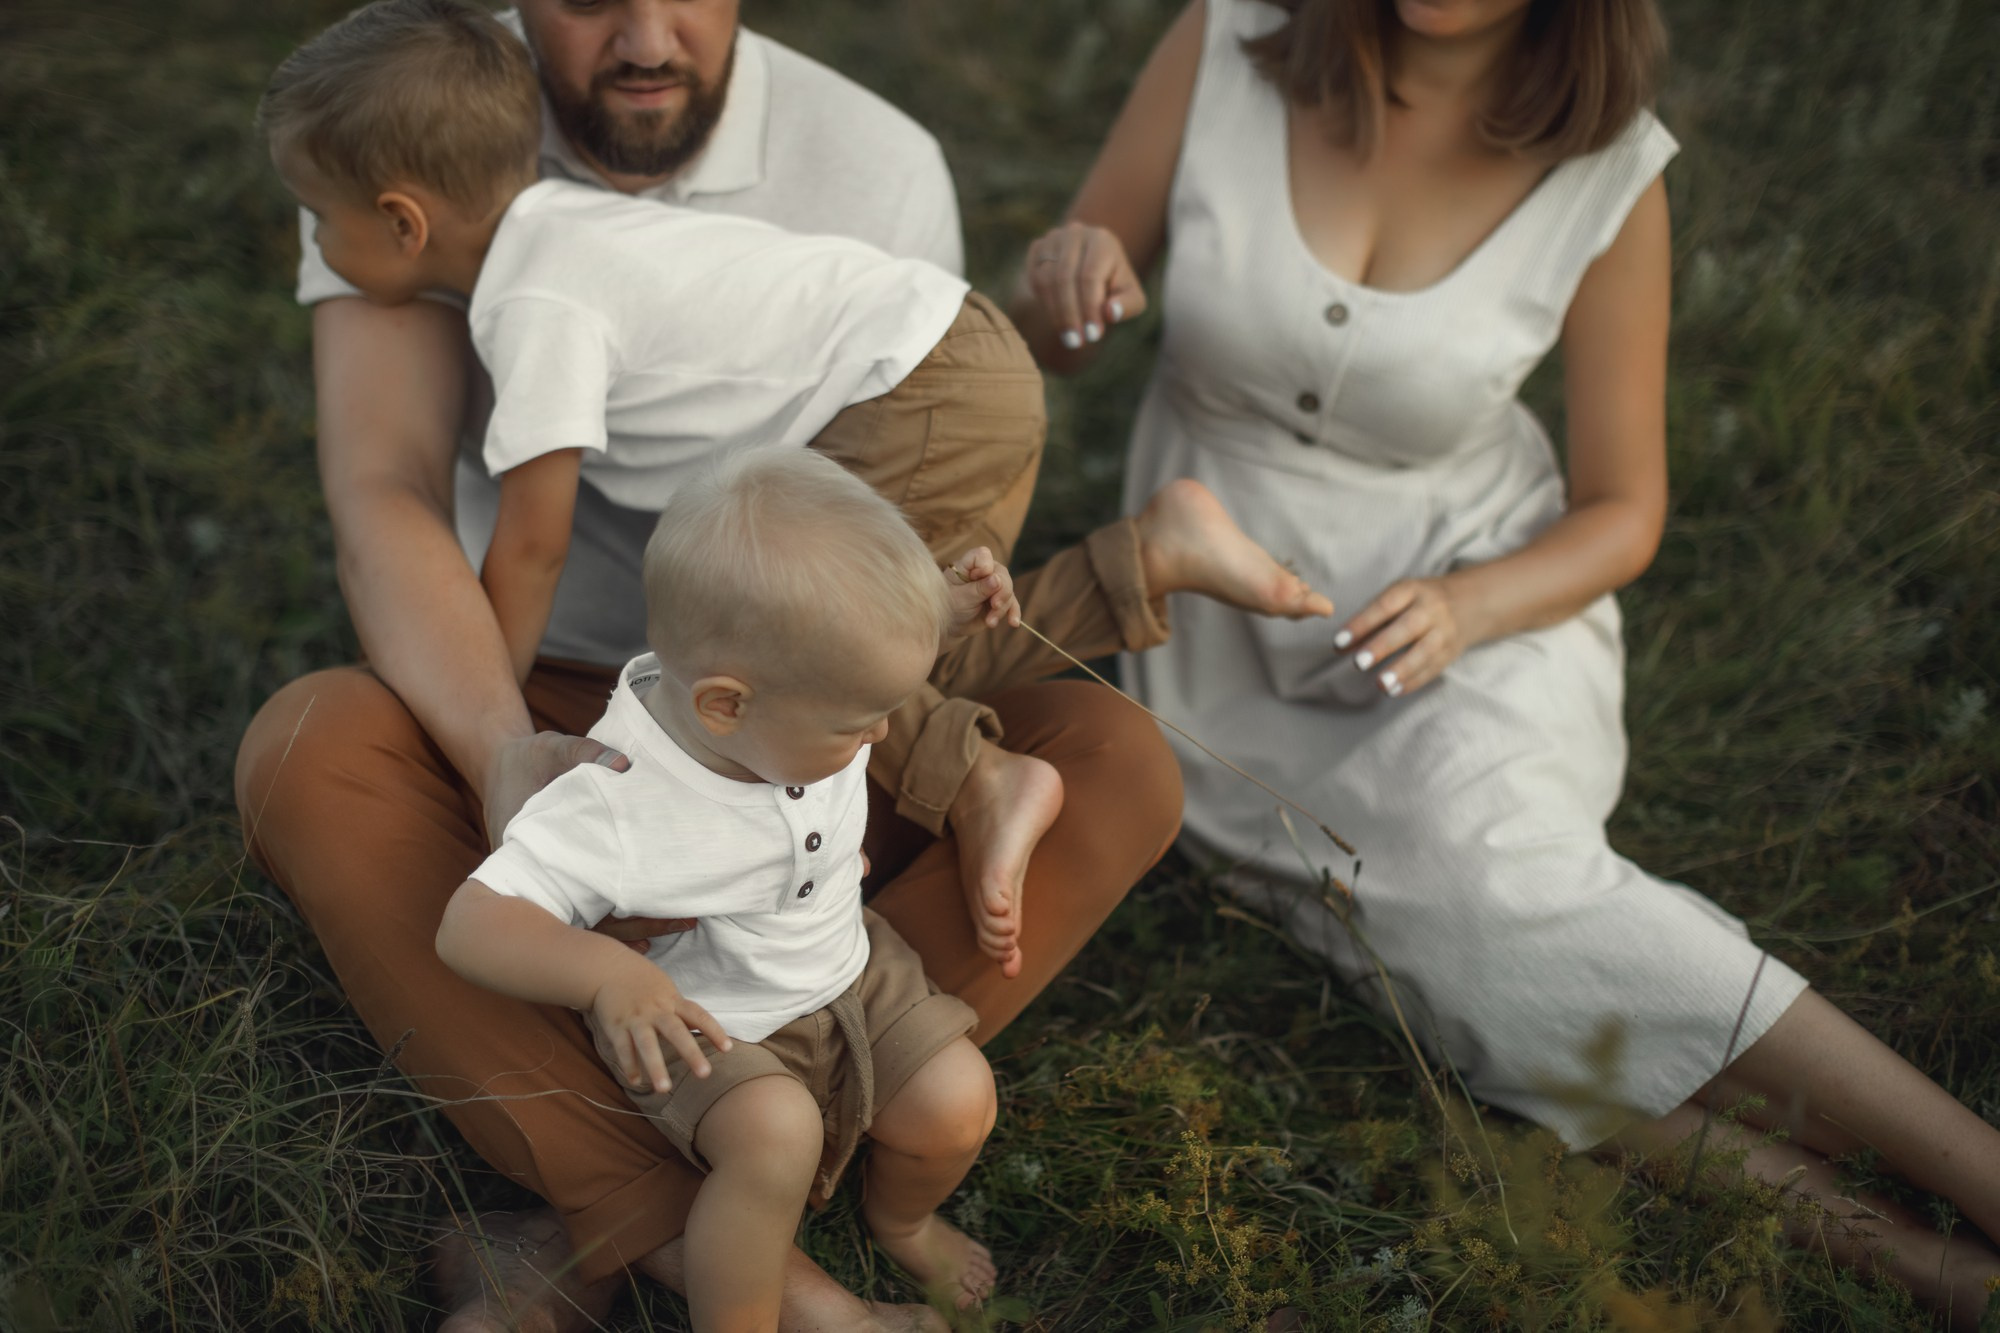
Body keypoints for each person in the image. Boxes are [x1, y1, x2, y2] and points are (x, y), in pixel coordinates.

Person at [233, 0, 1308, 1326]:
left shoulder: (874, 161)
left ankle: (629, 1196)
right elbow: (389, 493)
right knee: (314, 746)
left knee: (1118, 762)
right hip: (564, 694)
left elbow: (864, 584)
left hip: (797, 719)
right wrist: (499, 747)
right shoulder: (400, 121)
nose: (642, 34)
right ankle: (741, 1239)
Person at [1009, 0, 2000, 1322]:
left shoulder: (1607, 170)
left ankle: (1974, 1183)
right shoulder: (1230, 40)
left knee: (1491, 881)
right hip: (1225, 637)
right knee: (1439, 959)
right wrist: (1065, 289)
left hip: (1477, 601)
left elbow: (1623, 509)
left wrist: (1475, 607)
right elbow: (1057, 331)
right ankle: (1896, 1251)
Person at [438, 449, 1020, 1324]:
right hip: (717, 1021)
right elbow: (470, 924)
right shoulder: (622, 794)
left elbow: (853, 648)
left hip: (848, 967)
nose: (884, 731)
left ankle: (902, 1218)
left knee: (960, 1099)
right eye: (857, 723)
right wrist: (609, 975)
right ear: (724, 706)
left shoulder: (791, 694)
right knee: (775, 1140)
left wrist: (947, 608)